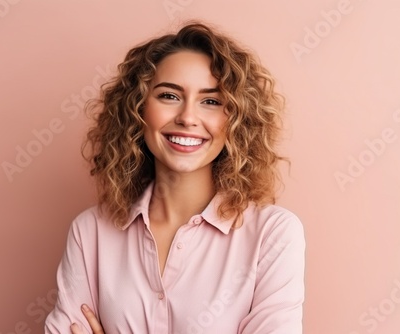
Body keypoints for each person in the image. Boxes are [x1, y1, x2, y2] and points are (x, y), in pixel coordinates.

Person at [44, 21, 305, 334]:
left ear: (235, 118)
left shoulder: (272, 235)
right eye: (169, 96)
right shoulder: (90, 232)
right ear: (138, 109)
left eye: (211, 101)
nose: (187, 118)